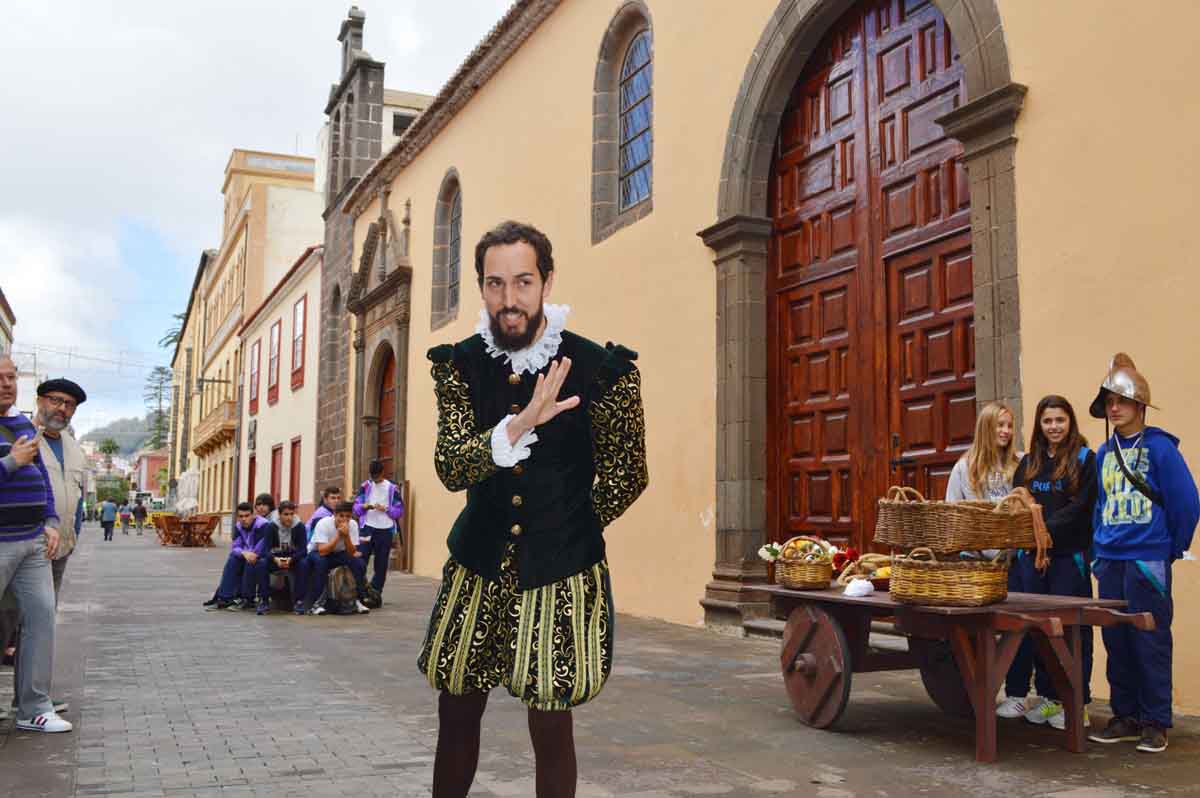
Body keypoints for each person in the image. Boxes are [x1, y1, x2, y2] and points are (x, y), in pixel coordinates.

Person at [418, 221, 648, 797]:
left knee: (551, 724)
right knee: (458, 712)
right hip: (477, 563)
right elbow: (450, 467)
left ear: (546, 280)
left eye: (523, 282)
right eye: (495, 284)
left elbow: (627, 473)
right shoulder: (460, 366)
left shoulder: (602, 370)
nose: (509, 299)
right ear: (481, 287)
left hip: (561, 570)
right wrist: (517, 427)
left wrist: (572, 526)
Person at [1085, 354, 1199, 754]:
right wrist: (1099, 550)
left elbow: (1187, 502)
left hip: (1147, 559)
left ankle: (1154, 721)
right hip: (1110, 560)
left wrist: (1170, 548)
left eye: (1121, 400)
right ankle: (1125, 715)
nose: (1114, 408)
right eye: (1109, 401)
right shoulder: (1102, 454)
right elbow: (1100, 504)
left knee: (1150, 641)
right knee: (1116, 641)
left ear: (1140, 405)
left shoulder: (1162, 449)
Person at [996, 395, 1097, 729]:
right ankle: (1047, 698)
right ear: (1039, 425)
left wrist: (1043, 528)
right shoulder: (1028, 464)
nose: (1054, 427)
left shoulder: (1085, 459)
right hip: (1032, 560)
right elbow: (1017, 504)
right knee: (1035, 631)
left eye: (1060, 420)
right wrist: (1031, 533)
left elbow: (1081, 507)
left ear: (1070, 422)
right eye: (1047, 421)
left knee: (1071, 631)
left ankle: (1075, 702)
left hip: (1069, 559)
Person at [0, 356, 70, 732]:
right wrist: (9, 462)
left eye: (11, 377)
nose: (7, 384)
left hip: (31, 542)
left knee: (41, 619)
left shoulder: (22, 424)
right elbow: (18, 465)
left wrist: (50, 520)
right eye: (0, 378)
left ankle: (33, 708)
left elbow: (41, 475)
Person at [301, 500, 369, 616]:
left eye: (347, 516)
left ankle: (357, 600)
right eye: (341, 516)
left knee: (359, 563)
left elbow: (352, 552)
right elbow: (322, 551)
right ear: (334, 515)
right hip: (317, 552)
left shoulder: (352, 524)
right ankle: (317, 604)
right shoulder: (324, 523)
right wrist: (338, 535)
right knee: (321, 563)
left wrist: (346, 536)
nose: (344, 519)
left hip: (338, 553)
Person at [352, 460, 404, 607]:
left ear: (382, 473)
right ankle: (360, 591)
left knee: (381, 564)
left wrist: (386, 509)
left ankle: (375, 593)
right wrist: (364, 506)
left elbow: (399, 511)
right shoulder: (365, 486)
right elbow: (356, 508)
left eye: (377, 477)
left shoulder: (392, 489)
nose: (375, 480)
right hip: (367, 527)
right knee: (360, 561)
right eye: (372, 477)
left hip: (385, 529)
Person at [945, 401, 1021, 502]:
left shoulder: (1020, 461)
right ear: (986, 427)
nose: (1006, 431)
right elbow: (951, 508)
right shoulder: (963, 468)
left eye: (1010, 426)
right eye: (1000, 425)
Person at [203, 503, 271, 612]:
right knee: (233, 559)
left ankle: (247, 599)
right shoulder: (238, 526)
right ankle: (224, 598)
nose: (244, 519)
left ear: (253, 515)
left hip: (264, 555)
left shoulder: (264, 525)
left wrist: (249, 554)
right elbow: (235, 547)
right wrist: (244, 553)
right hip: (247, 554)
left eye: (247, 515)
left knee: (251, 562)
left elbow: (262, 546)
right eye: (241, 516)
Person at [260, 500, 310, 615]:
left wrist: (291, 559)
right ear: (279, 514)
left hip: (293, 558)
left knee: (304, 563)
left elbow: (303, 550)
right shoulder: (271, 527)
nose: (289, 518)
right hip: (276, 558)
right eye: (286, 514)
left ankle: (299, 601)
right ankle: (264, 601)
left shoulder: (299, 527)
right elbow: (265, 550)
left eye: (292, 514)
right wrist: (275, 559)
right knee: (262, 563)